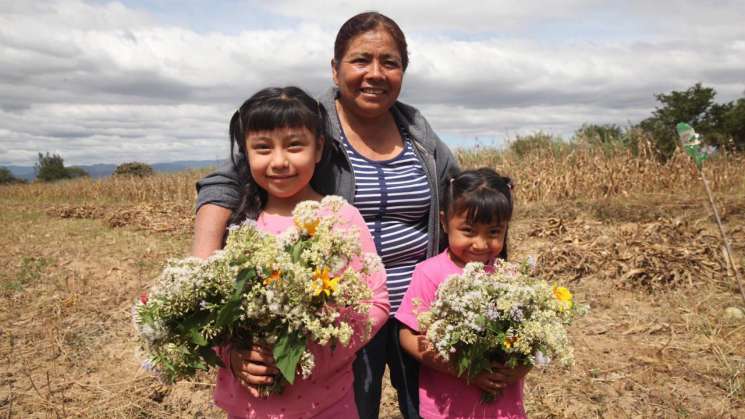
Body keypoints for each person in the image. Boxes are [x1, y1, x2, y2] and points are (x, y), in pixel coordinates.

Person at [193, 12, 460, 419]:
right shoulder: (304, 123)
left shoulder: (417, 130)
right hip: (339, 309)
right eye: (360, 60)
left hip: (415, 308)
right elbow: (229, 180)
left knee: (428, 409)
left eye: (389, 62)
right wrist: (202, 268)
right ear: (335, 69)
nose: (375, 73)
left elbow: (462, 191)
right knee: (348, 402)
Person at [210, 86, 390, 418]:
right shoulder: (239, 224)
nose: (279, 162)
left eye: (295, 146)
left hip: (326, 404)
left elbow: (376, 301)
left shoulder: (339, 218)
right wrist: (233, 357)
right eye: (262, 148)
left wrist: (308, 355)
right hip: (249, 407)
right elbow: (214, 310)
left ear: (318, 148)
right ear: (245, 154)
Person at [396, 168, 529, 419]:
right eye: (468, 231)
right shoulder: (430, 273)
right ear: (445, 222)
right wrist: (462, 368)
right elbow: (407, 335)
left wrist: (522, 367)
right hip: (447, 408)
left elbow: (534, 339)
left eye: (493, 232)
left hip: (503, 408)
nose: (480, 244)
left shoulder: (511, 278)